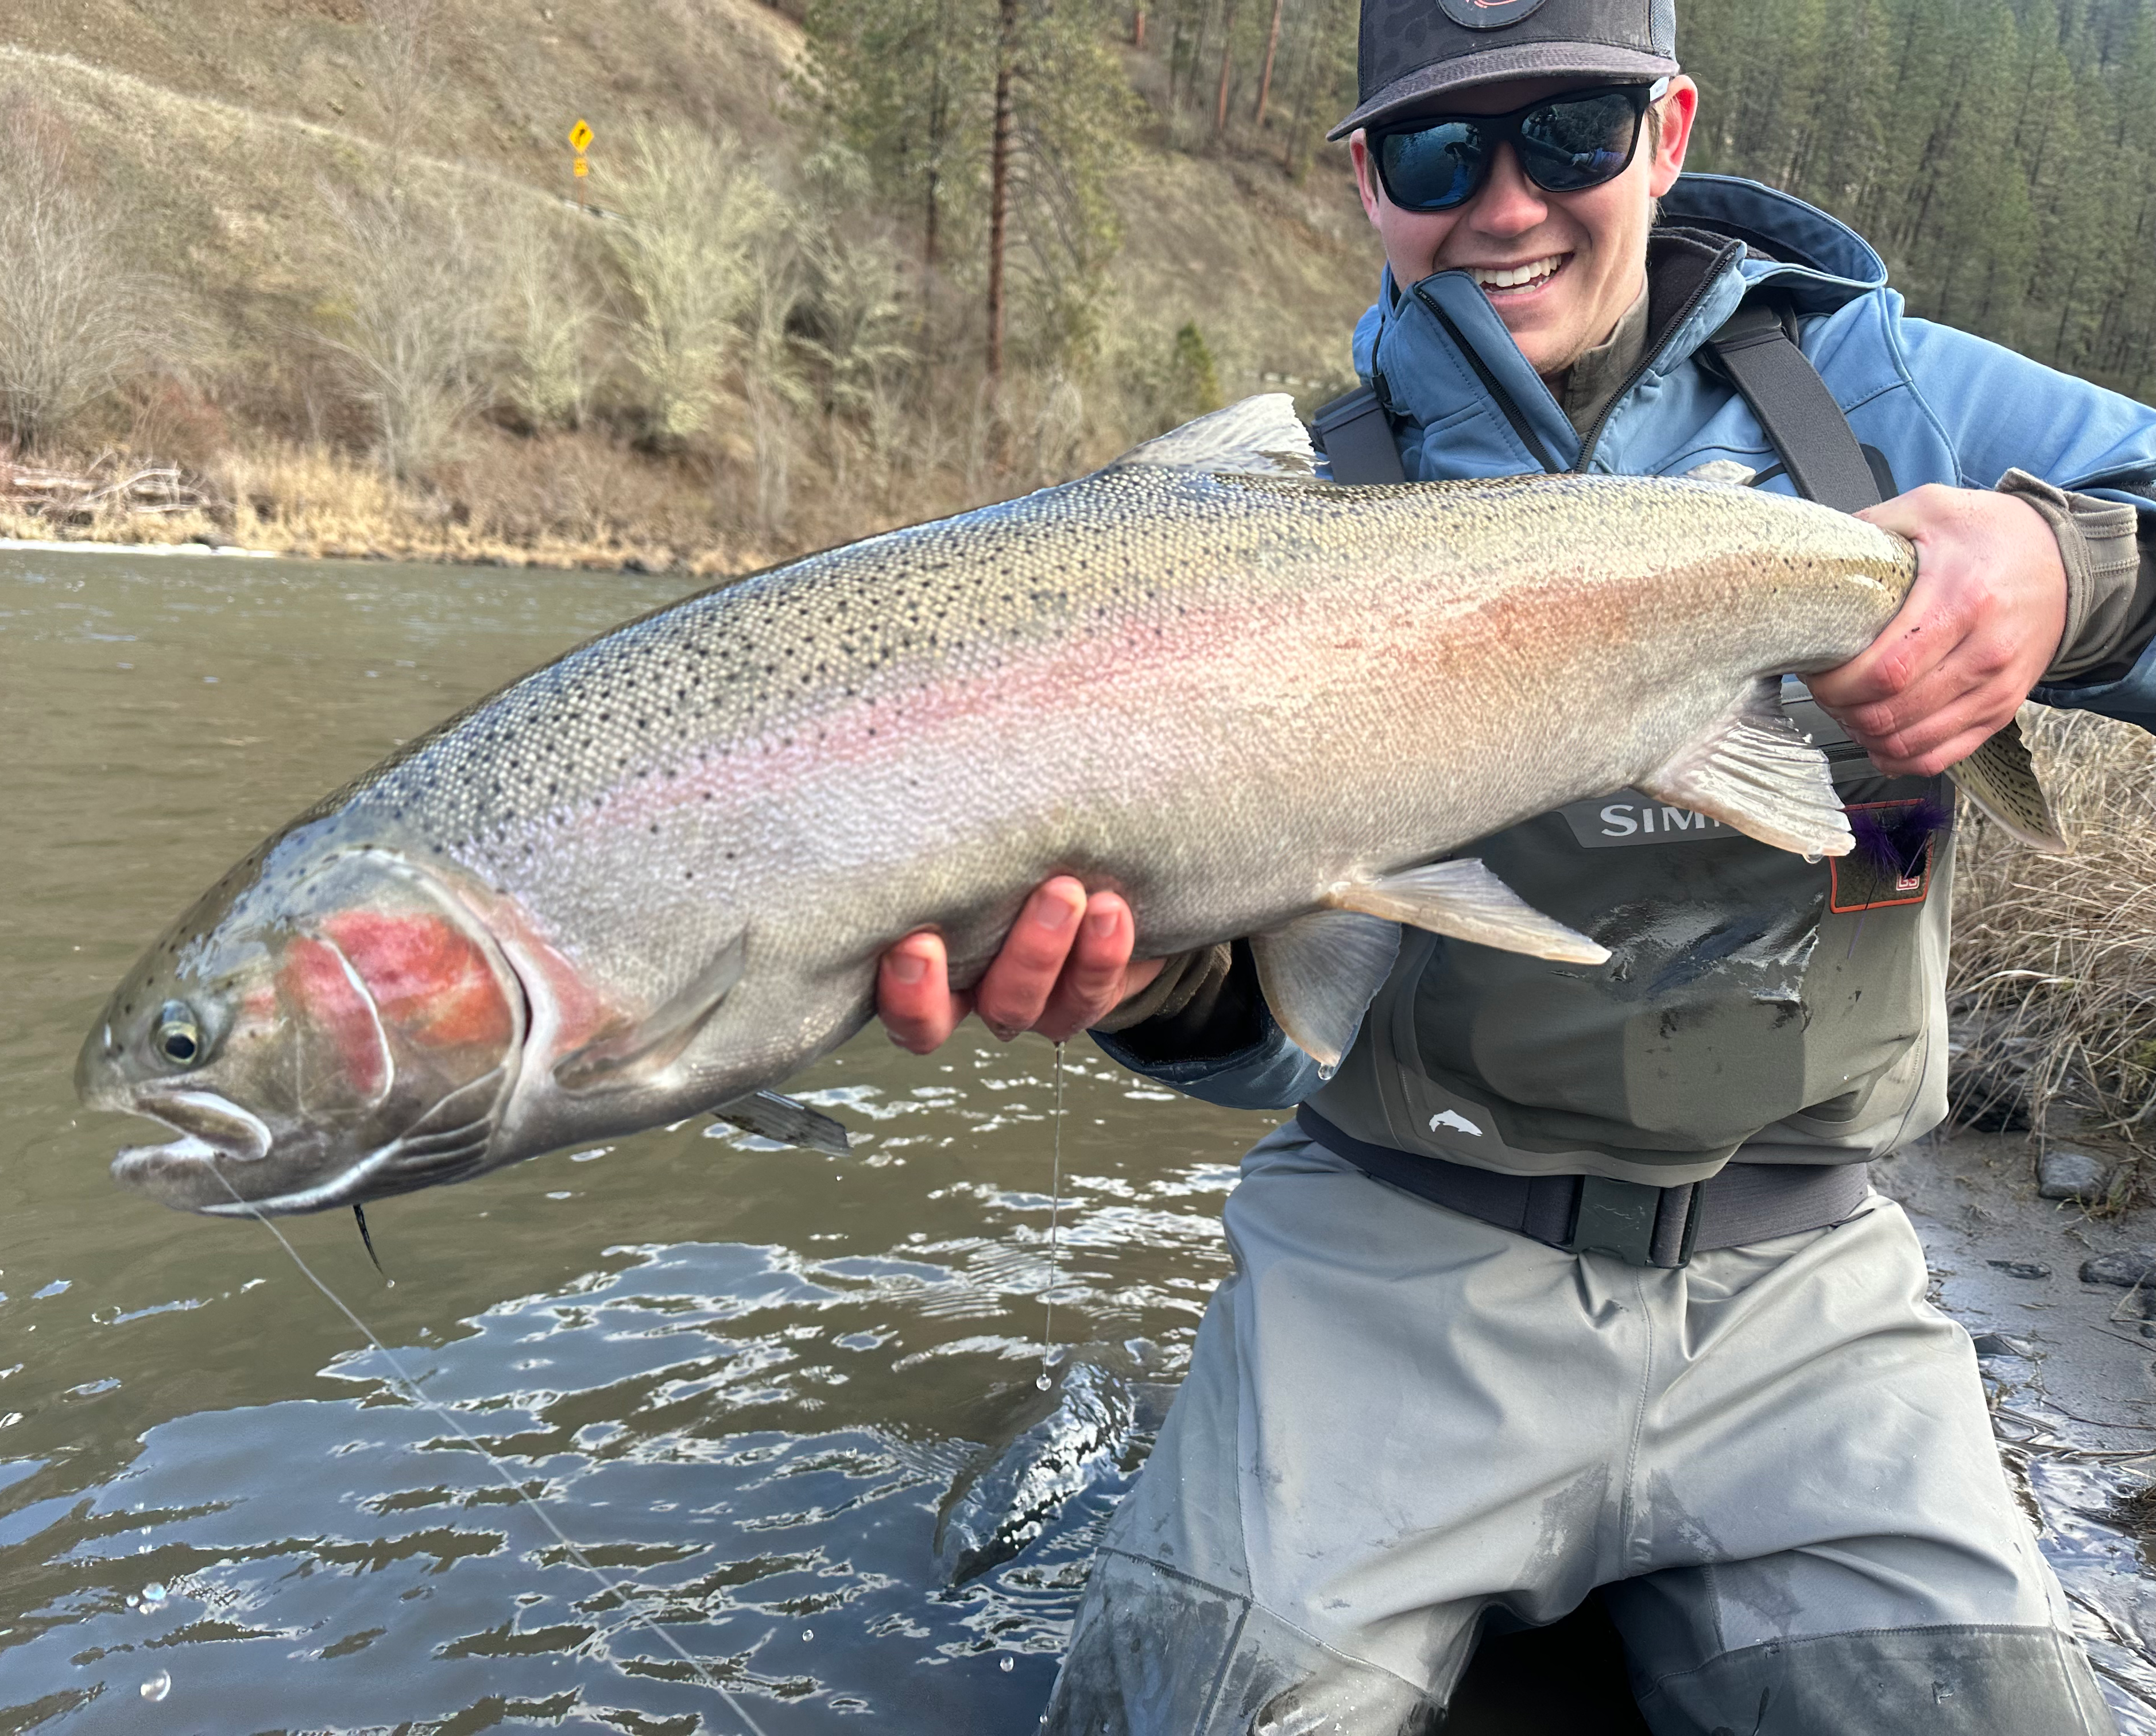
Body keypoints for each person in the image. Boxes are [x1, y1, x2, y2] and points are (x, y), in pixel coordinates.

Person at [880, 0, 2156, 1726]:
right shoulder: (1291, 514)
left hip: (1807, 1282)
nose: (1504, 205)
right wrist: (1171, 988)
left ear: (1673, 131)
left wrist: (2075, 574)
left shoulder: (1890, 394)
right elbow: (1274, 1049)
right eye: (1435, 151)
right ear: (1365, 181)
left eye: (1570, 133)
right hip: (1394, 1259)